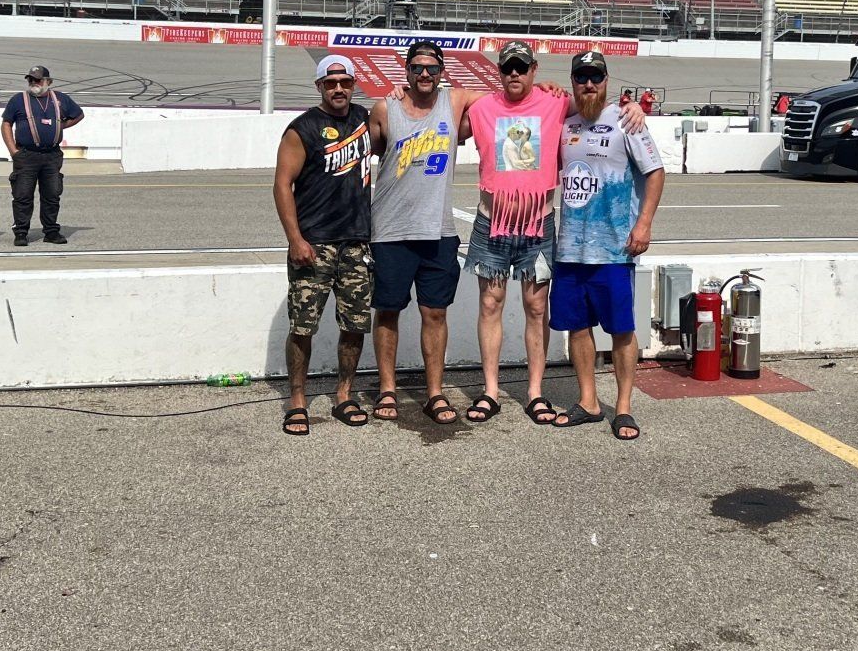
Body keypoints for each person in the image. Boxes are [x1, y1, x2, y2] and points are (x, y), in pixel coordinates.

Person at [464, 42, 647, 425]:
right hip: (492, 223)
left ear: (533, 69)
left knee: (536, 308)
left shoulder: (556, 103)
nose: (514, 73)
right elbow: (444, 106)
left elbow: (596, 101)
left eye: (522, 67)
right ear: (498, 71)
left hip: (538, 224)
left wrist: (633, 106)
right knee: (490, 305)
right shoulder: (481, 108)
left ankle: (535, 392)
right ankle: (491, 391)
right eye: (507, 67)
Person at [548, 49, 665, 441]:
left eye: (596, 76)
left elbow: (655, 172)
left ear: (607, 80)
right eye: (581, 76)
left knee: (621, 329)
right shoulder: (564, 124)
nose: (589, 83)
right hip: (570, 249)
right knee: (577, 327)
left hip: (615, 248)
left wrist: (644, 223)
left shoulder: (627, 121)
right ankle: (589, 402)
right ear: (573, 82)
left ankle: (625, 407)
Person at [273, 55, 375, 436]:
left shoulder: (364, 119)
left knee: (354, 325)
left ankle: (344, 394)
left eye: (344, 82)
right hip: (313, 244)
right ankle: (297, 399)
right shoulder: (302, 129)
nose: (338, 89)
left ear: (353, 84)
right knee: (303, 327)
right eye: (330, 82)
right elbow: (282, 184)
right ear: (319, 86)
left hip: (356, 243)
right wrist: (295, 239)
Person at [369, 41, 464, 426]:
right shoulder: (384, 109)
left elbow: (508, 99)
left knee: (435, 312)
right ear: (405, 72)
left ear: (442, 72)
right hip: (390, 229)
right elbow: (370, 155)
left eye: (432, 68)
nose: (425, 74)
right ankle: (387, 389)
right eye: (417, 68)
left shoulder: (454, 103)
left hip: (438, 229)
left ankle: (434, 392)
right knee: (388, 310)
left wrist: (548, 89)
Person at [0, 65, 84, 246]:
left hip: (52, 155)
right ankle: (21, 232)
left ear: (48, 82)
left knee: (52, 195)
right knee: (22, 195)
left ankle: (51, 231)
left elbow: (78, 115)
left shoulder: (60, 99)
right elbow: (6, 124)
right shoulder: (18, 100)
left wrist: (59, 126)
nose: (33, 83)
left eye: (37, 79)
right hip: (26, 155)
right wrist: (13, 151)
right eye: (30, 79)